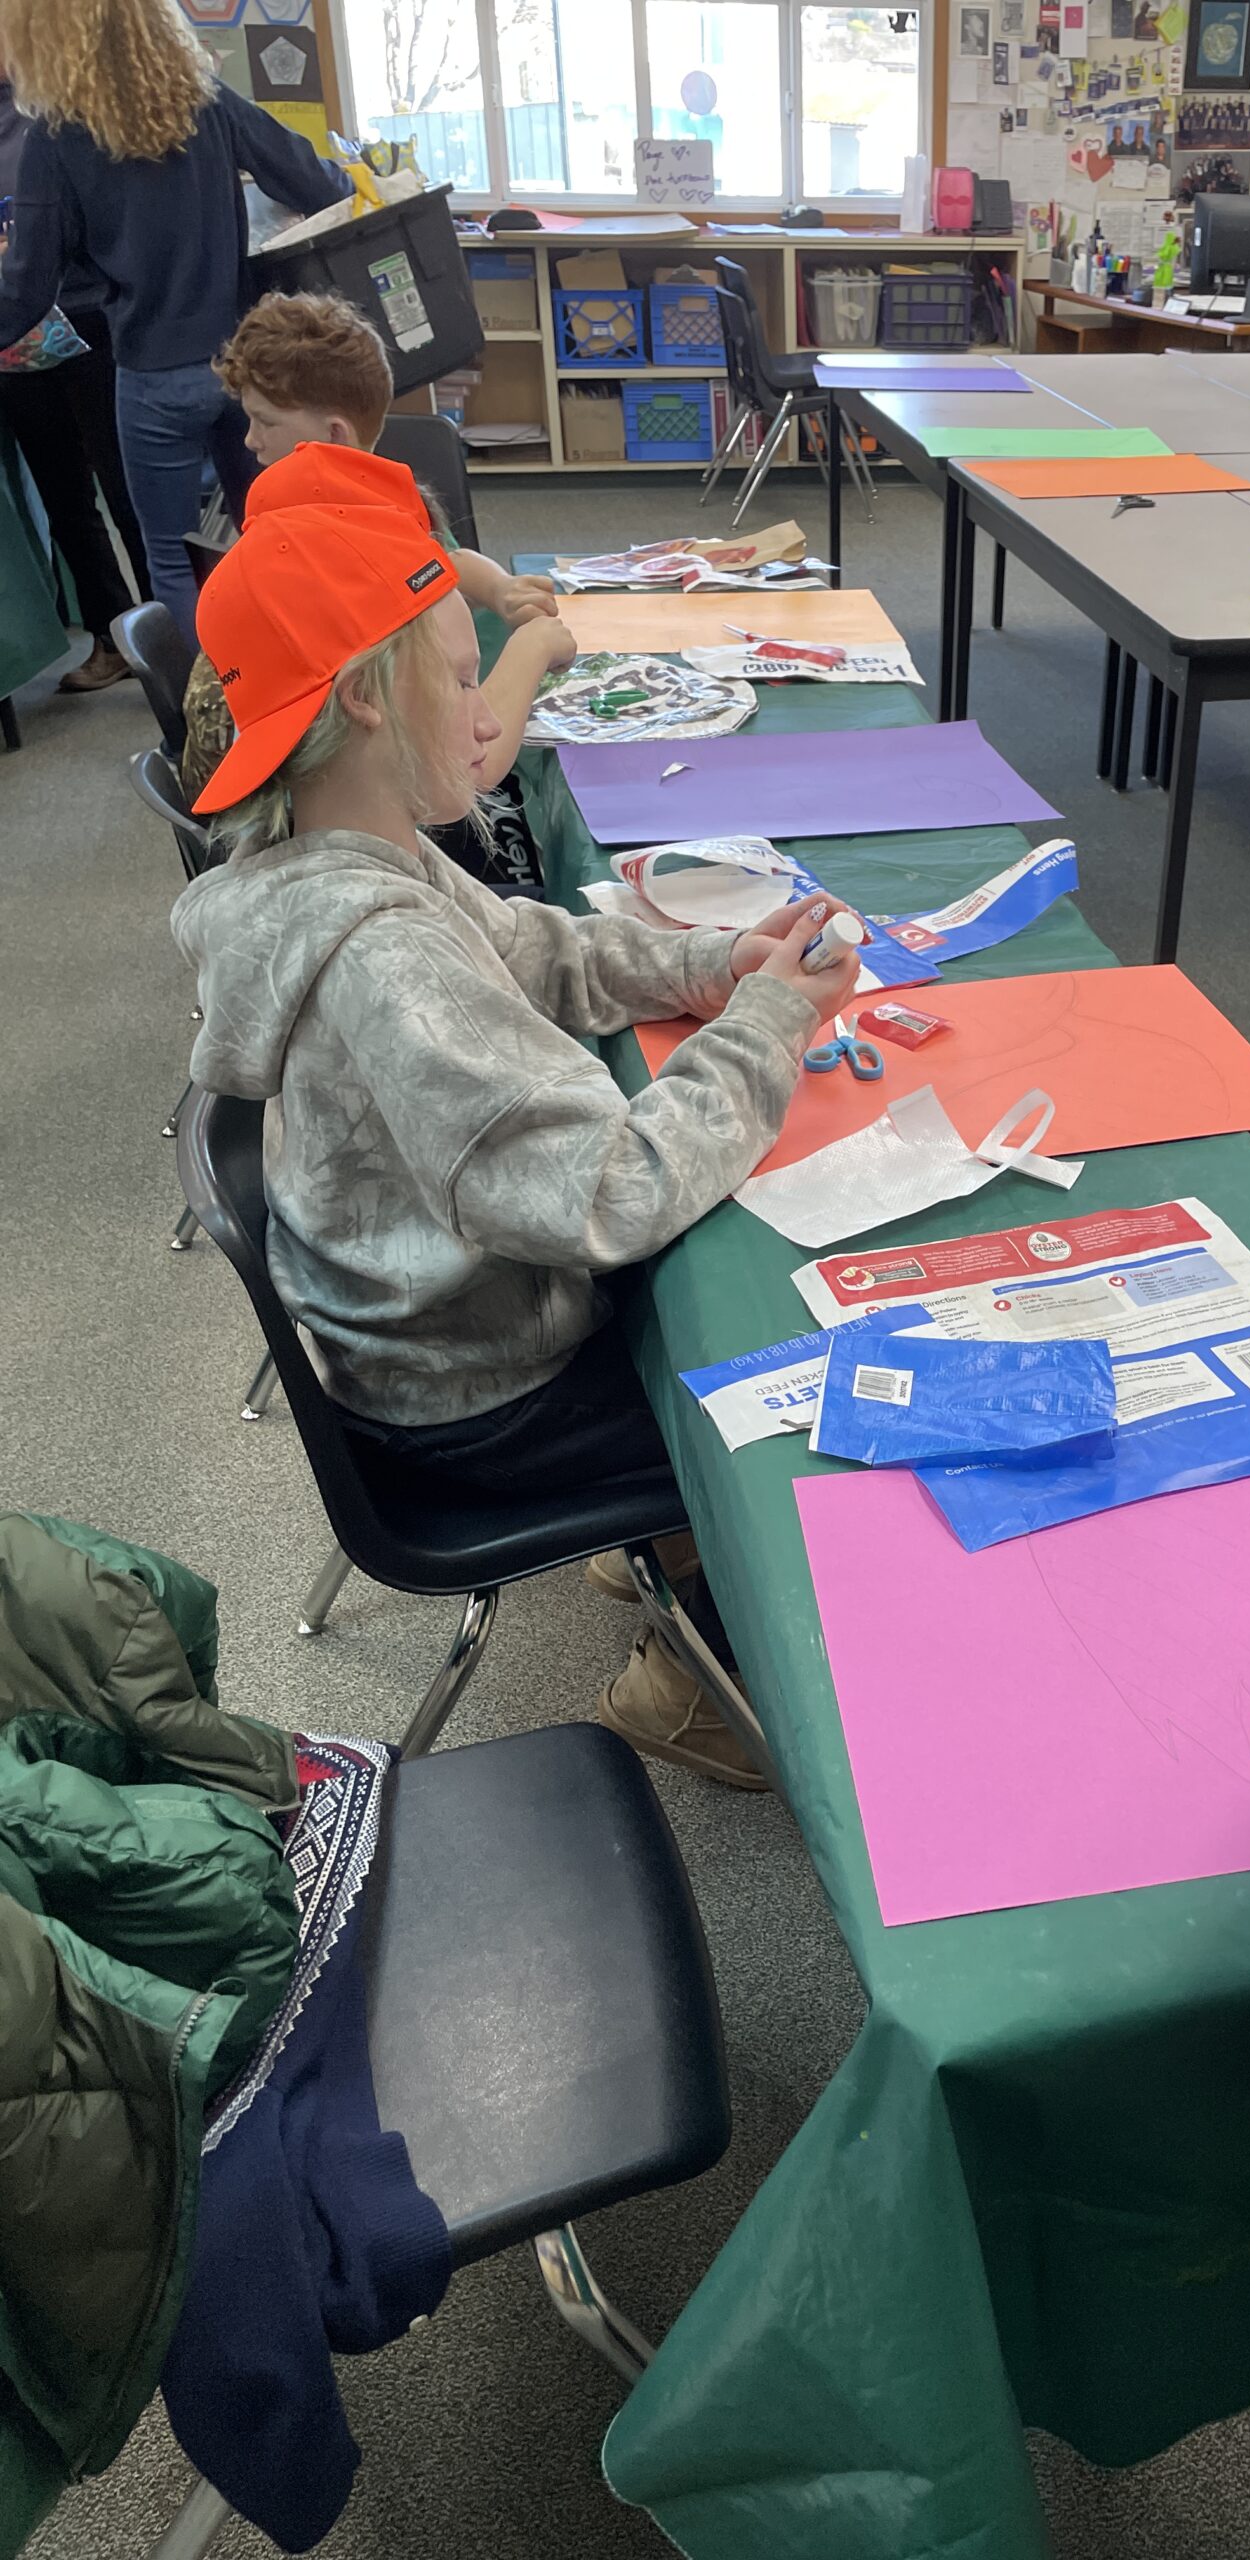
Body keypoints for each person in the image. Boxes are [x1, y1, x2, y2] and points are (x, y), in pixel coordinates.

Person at [171, 450, 862, 1788]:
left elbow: (536, 950)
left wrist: (717, 968)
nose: (478, 701)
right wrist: (771, 1029)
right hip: (479, 1401)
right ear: (369, 699)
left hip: (448, 1331)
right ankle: (691, 1686)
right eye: (454, 666)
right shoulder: (382, 956)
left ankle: (653, 1551)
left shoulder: (335, 844)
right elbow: (609, 1196)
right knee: (797, 1352)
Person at [0, 0, 349, 643]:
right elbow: (318, 183)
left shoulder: (55, 138)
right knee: (268, 533)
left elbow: (25, 290)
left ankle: (202, 723)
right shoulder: (207, 100)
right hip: (241, 372)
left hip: (152, 377)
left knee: (170, 559)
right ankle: (298, 675)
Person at [179, 292, 562, 826]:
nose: (249, 439)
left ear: (334, 435)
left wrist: (497, 587)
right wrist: (534, 649)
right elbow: (459, 772)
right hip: (285, 814)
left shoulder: (336, 516)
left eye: (264, 421)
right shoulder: (321, 552)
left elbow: (440, 557)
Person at [0, 71, 148, 689]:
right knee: (64, 498)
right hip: (14, 335)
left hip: (91, 318)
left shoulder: (56, 106)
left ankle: (184, 642)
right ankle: (112, 636)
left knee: (130, 492)